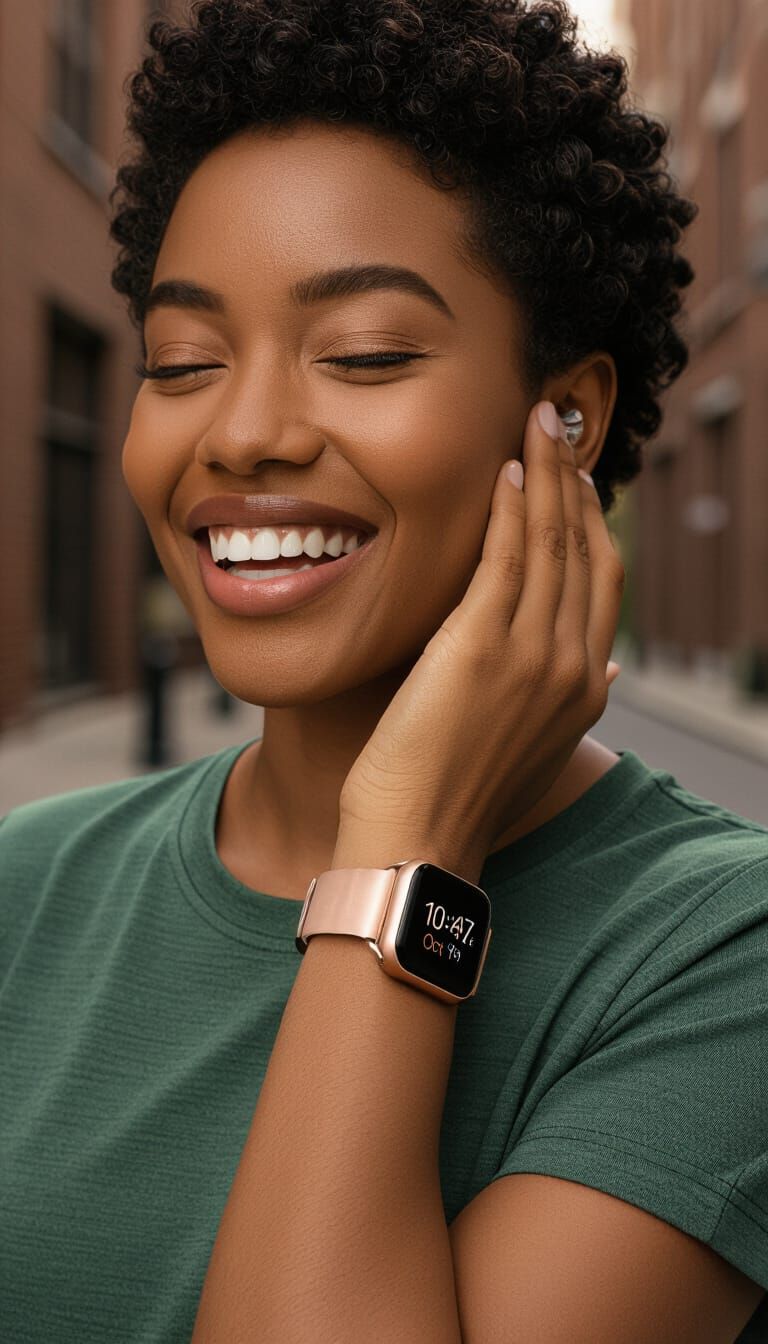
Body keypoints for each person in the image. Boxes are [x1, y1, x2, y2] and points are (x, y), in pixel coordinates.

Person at [2, 2, 767, 1340]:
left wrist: (408, 843)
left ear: (568, 417)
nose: (242, 432)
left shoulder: (719, 956)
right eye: (182, 363)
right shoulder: (26, 887)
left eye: (364, 353)